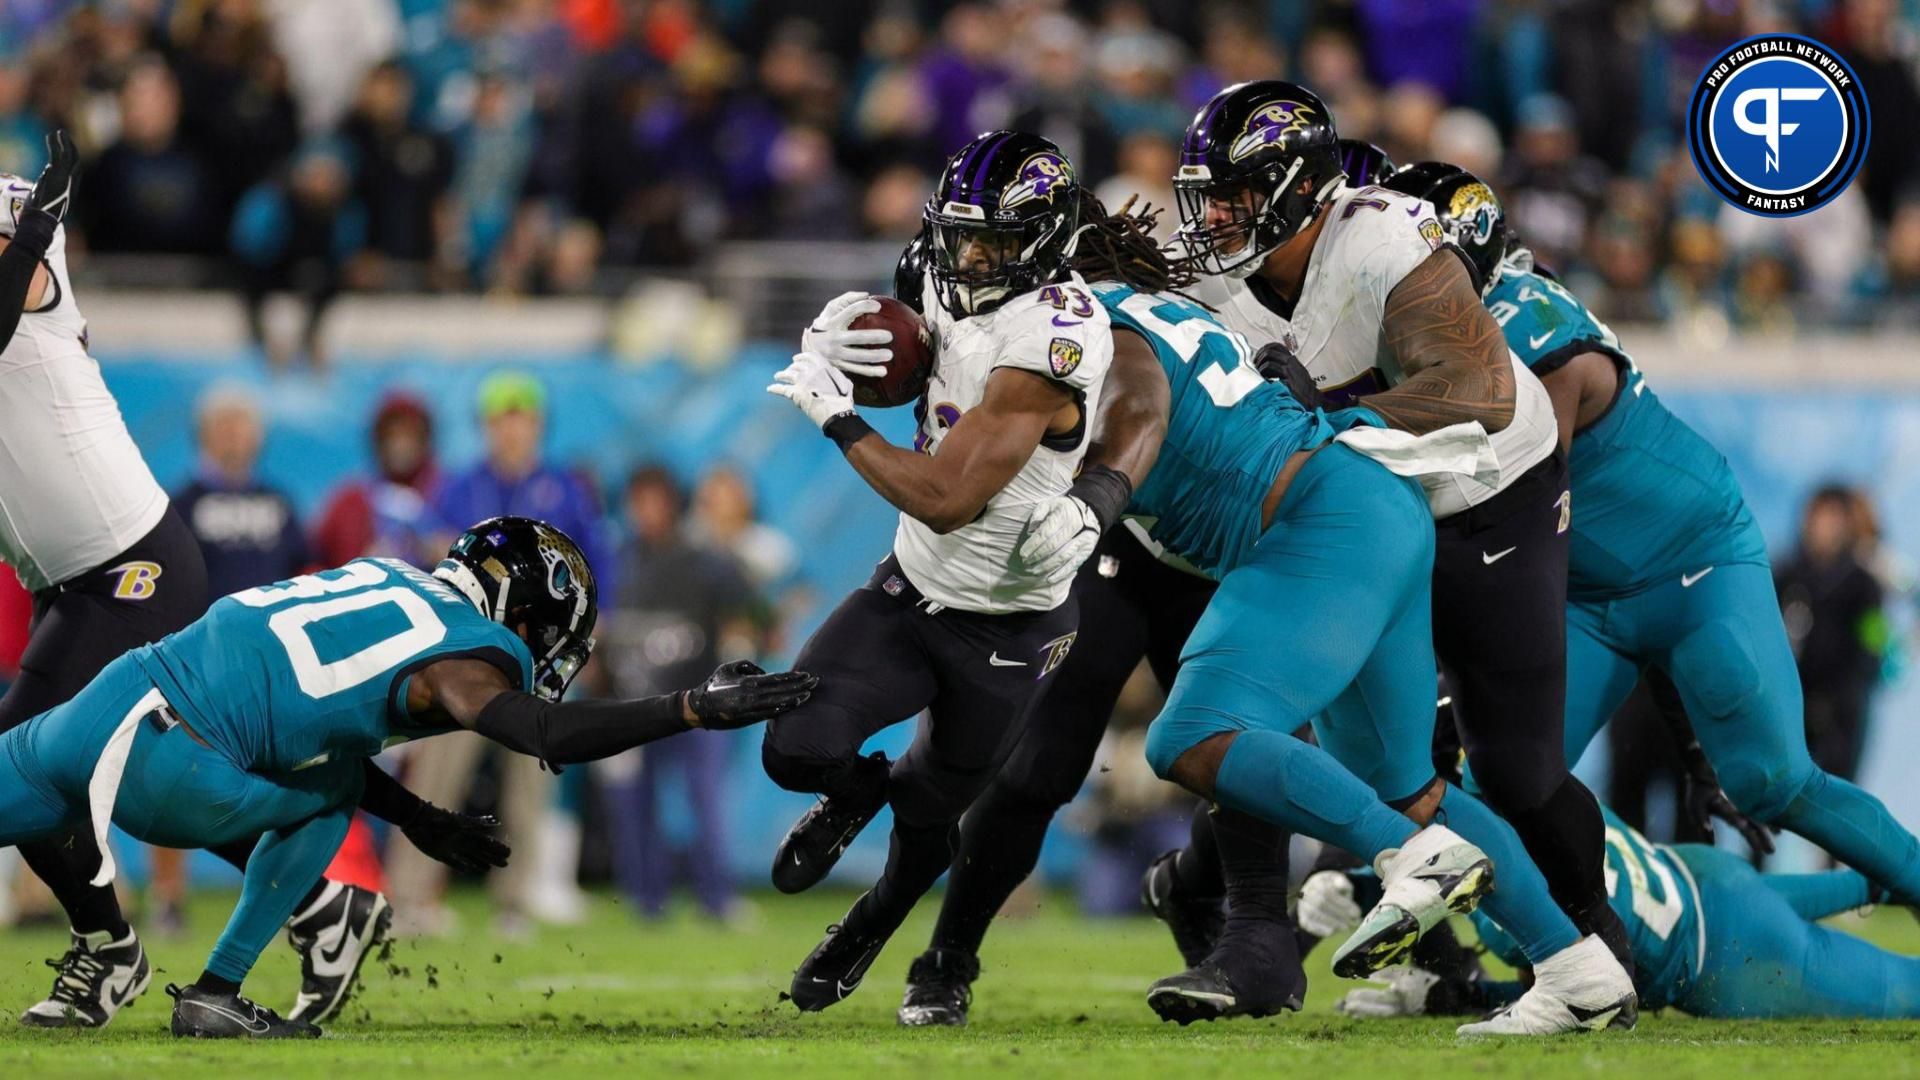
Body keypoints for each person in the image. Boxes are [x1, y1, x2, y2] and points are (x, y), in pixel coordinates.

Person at [1035, 81, 1623, 1034]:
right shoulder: (1200, 283)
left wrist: (1324, 417)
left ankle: (1510, 903)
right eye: (1207, 195)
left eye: (1237, 193)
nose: (1215, 216)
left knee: (1511, 765)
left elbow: (1476, 388)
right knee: (1406, 778)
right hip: (1373, 505)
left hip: (1482, 489)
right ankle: (1570, 969)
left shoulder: (1381, 236)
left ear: (1307, 187)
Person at [888, 136, 1405, 1028]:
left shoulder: (1193, 301)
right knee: (1047, 762)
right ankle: (950, 955)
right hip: (1128, 534)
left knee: (1235, 741)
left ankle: (1253, 939)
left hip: (1180, 531)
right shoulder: (1043, 291)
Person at [0, 517, 815, 1038]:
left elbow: (322, 719)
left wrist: (421, 817)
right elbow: (543, 729)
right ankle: (220, 988)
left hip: (107, 699)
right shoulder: (472, 651)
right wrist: (688, 709)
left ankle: (128, 951)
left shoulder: (391, 574)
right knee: (332, 795)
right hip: (168, 768)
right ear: (525, 616)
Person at [1388, 162, 1920, 919]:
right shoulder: (1450, 327)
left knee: (1773, 780)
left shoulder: (1529, 322)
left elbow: (1497, 497)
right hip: (1591, 594)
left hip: (1693, 562)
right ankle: (1552, 962)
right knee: (1503, 788)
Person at [757, 132, 1111, 1012]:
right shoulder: (936, 270)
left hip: (1011, 621)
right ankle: (853, 794)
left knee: (929, 818)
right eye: (962, 233)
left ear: (1044, 239)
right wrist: (842, 344)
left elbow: (948, 496)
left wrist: (838, 417)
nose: (971, 255)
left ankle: (872, 924)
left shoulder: (1055, 335)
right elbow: (909, 354)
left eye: (993, 239)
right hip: (912, 589)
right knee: (796, 748)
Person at [1304, 803, 1920, 1021]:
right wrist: (1362, 885)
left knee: (1906, 990)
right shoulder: (1525, 775)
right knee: (1877, 884)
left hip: (1727, 956)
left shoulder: (1495, 887)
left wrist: (1455, 996)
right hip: (1703, 875)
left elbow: (1582, 987)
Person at [389, 371, 605, 935]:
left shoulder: (565, 489)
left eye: (521, 418)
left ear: (536, 424)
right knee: (437, 774)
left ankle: (514, 898)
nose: (512, 430)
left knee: (529, 781)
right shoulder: (460, 488)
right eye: (501, 419)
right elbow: (431, 559)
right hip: (466, 654)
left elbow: (595, 570)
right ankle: (410, 895)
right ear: (487, 426)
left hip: (538, 658)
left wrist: (585, 644)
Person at [601, 466, 757, 921]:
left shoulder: (706, 561)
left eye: (656, 499)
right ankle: (645, 901)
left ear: (675, 503)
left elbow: (747, 613)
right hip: (631, 705)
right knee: (634, 803)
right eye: (639, 500)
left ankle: (718, 899)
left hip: (698, 706)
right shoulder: (616, 561)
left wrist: (742, 649)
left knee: (705, 801)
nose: (647, 510)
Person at [1775, 486, 1887, 807]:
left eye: (1833, 518)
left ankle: (1827, 859)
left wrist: (1846, 693)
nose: (1825, 526)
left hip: (1842, 709)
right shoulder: (1785, 574)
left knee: (1836, 803)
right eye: (1819, 516)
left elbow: (1873, 647)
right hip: (1794, 702)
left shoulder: (1865, 585)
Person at [174, 384, 310, 602]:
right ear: (202, 434)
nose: (234, 437)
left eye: (242, 427)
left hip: (272, 627)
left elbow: (304, 565)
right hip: (207, 630)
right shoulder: (180, 506)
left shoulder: (279, 501)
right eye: (224, 426)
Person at [309, 392, 444, 569]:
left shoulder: (450, 494)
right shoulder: (349, 502)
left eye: (409, 434)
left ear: (425, 438)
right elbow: (312, 562)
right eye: (391, 435)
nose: (400, 444)